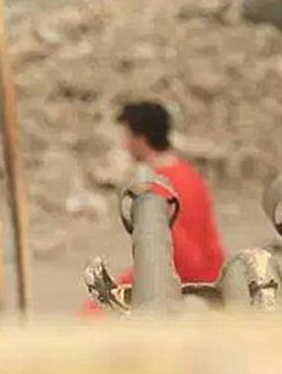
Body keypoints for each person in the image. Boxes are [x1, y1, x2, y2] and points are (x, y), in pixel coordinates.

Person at [81, 101, 225, 315]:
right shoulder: (189, 174)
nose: (125, 144)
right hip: (209, 272)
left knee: (93, 314)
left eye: (128, 136)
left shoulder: (158, 188)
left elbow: (180, 256)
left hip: (186, 281)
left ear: (141, 139)